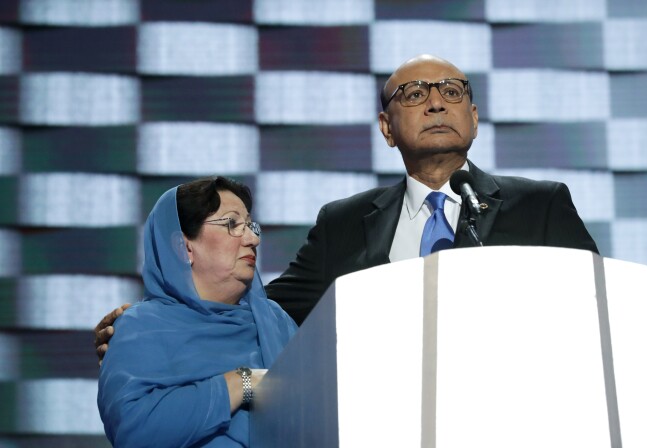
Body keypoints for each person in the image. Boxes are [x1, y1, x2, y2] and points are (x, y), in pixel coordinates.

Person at [95, 53, 598, 345]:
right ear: (386, 128)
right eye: (414, 94)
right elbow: (267, 312)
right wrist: (156, 326)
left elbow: (596, 310)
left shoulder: (542, 205)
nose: (437, 101)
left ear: (473, 114)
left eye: (451, 89)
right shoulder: (344, 223)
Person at [97, 176, 297, 447]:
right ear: (184, 247)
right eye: (232, 224)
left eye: (250, 225)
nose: (253, 239)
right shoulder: (140, 327)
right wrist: (242, 382)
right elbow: (133, 429)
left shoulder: (276, 322)